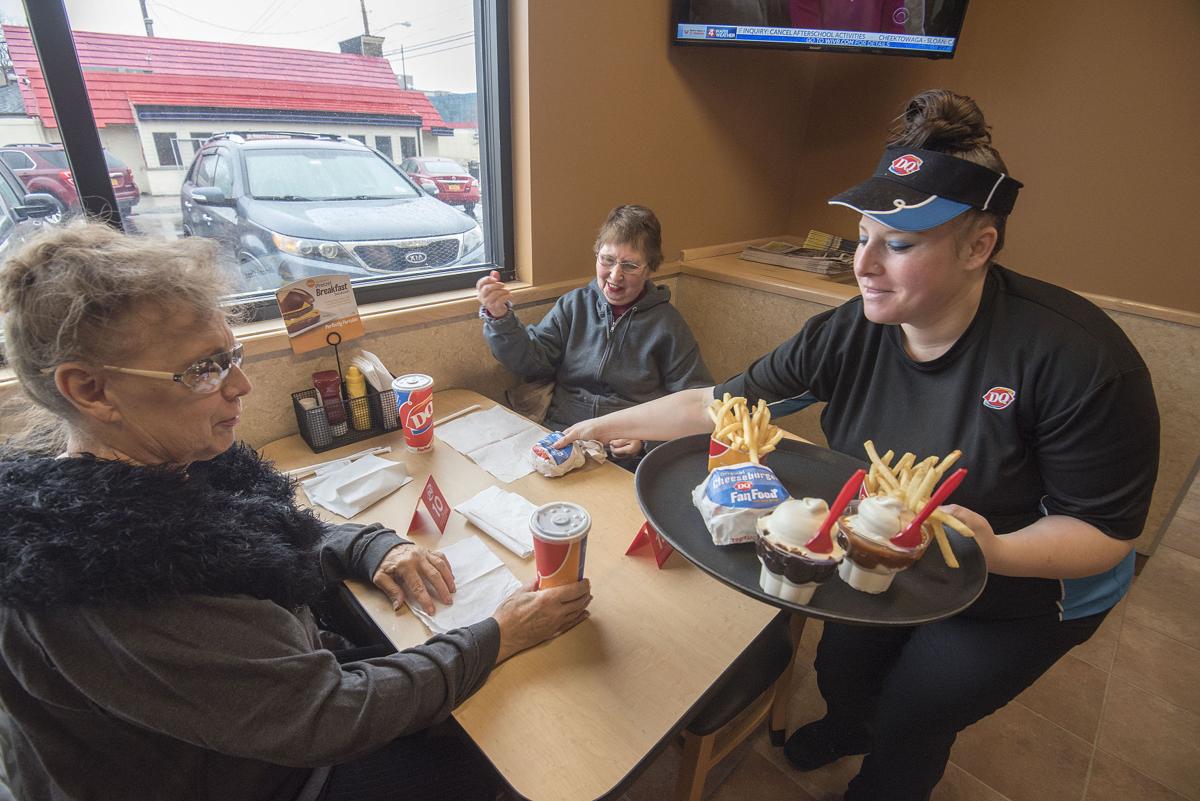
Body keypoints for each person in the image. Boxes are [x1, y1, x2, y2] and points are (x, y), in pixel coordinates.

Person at [558, 89, 1159, 801]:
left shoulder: (1078, 359)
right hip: (891, 542)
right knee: (842, 666)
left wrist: (992, 549)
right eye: (863, 236)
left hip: (1027, 581)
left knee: (920, 705)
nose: (865, 264)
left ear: (980, 245)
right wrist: (593, 427)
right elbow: (714, 403)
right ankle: (852, 724)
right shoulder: (851, 329)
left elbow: (1106, 532)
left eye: (898, 244)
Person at [0, 221, 592, 801]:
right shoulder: (110, 583)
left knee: (406, 648)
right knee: (488, 750)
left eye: (230, 356)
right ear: (91, 391)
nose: (241, 387)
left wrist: (371, 545)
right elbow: (328, 715)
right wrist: (498, 636)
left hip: (261, 724)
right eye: (203, 369)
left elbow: (262, 538)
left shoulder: (153, 479)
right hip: (254, 776)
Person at [476, 203, 712, 469]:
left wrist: (647, 440)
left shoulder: (668, 325)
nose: (615, 275)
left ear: (650, 269)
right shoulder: (574, 305)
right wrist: (499, 317)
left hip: (624, 455)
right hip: (560, 436)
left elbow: (698, 401)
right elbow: (530, 361)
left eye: (630, 265)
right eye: (607, 260)